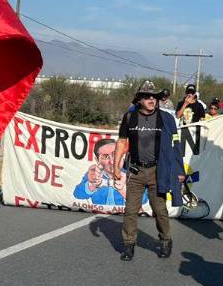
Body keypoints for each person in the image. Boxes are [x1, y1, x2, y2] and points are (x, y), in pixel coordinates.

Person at [112, 80, 184, 261]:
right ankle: (129, 245)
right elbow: (121, 142)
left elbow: (176, 146)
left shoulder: (166, 118)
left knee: (159, 210)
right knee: (130, 210)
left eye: (154, 97)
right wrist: (116, 166)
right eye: (147, 97)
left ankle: (165, 240)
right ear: (139, 100)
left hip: (157, 171)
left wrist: (179, 170)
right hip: (135, 171)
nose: (152, 100)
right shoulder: (130, 117)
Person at [73, 138, 126, 206]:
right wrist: (92, 184)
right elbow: (77, 194)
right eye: (105, 157)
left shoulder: (131, 173)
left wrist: (123, 189)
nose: (112, 162)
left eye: (115, 155)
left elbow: (140, 200)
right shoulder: (94, 173)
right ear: (97, 160)